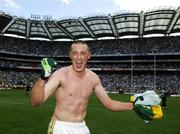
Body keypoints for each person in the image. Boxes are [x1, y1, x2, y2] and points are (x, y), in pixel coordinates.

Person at [31, 41, 150, 134]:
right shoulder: (60, 74)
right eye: (75, 53)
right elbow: (35, 102)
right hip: (60, 127)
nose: (78, 57)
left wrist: (133, 106)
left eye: (82, 53)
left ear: (88, 56)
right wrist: (42, 78)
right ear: (70, 56)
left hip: (81, 128)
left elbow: (109, 103)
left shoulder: (93, 78)